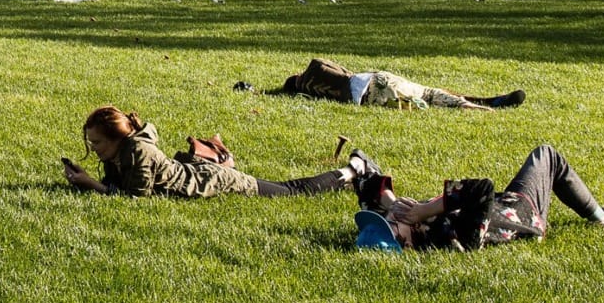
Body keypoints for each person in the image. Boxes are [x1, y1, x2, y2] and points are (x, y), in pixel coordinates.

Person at [60, 105, 374, 200]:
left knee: (290, 191)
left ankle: (353, 170)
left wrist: (93, 185)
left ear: (118, 138)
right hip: (200, 174)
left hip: (212, 181)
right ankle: (350, 174)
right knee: (288, 188)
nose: (94, 149)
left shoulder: (139, 151)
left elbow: (136, 196)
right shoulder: (120, 153)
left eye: (98, 143)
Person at [354, 144, 604, 251]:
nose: (389, 218)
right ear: (407, 242)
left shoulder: (414, 226)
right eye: (391, 224)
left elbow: (365, 178)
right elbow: (482, 188)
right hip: (524, 214)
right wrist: (426, 208)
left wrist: (391, 202)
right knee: (547, 155)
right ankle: (601, 218)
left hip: (503, 202)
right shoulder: (453, 238)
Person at [250, 56, 524, 110]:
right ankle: (482, 104)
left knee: (427, 96)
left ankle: (483, 103)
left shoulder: (309, 92)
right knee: (428, 93)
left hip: (372, 92)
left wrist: (263, 92)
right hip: (376, 83)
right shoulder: (312, 71)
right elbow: (322, 63)